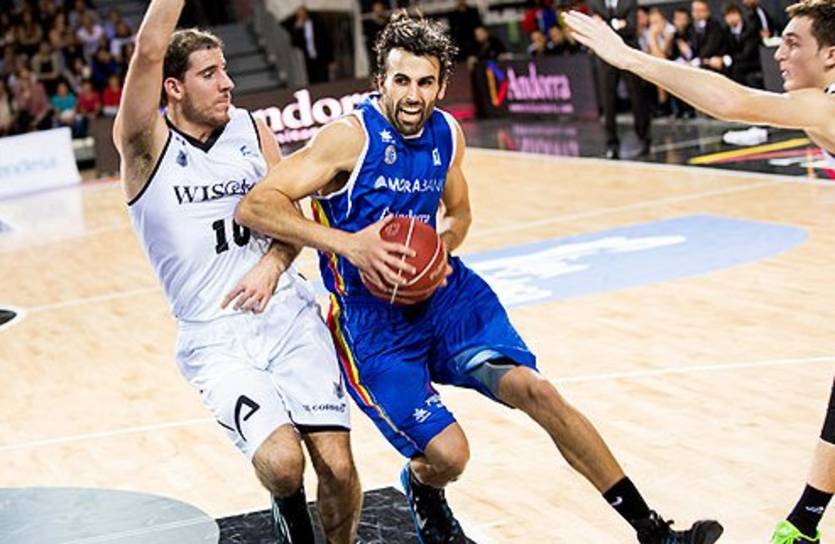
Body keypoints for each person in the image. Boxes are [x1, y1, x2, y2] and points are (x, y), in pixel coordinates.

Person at [236, 10, 724, 544]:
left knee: (539, 392)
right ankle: (424, 486)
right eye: (401, 81)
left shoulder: (446, 133)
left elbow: (460, 214)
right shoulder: (347, 140)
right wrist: (351, 245)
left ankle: (652, 531)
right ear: (380, 81)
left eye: (425, 82)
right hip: (373, 325)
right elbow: (256, 205)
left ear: (442, 85)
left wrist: (439, 250)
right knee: (450, 456)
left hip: (447, 297)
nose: (413, 96)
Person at [564, 2, 835, 543]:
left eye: (792, 43)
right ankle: (803, 523)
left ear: (831, 55)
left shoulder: (825, 107)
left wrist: (630, 58)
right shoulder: (818, 106)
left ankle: (802, 524)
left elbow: (730, 100)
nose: (779, 53)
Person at [113, 1, 363, 542]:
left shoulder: (251, 130)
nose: (227, 83)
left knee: (339, 467)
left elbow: (290, 219)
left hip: (288, 316)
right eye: (209, 74)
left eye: (225, 70)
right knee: (283, 465)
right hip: (215, 338)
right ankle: (288, 508)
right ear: (173, 88)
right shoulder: (145, 147)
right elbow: (150, 49)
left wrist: (273, 264)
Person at [587, 0, 652, 159]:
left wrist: (607, 25)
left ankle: (644, 139)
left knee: (637, 97)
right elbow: (595, 29)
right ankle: (611, 143)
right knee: (608, 101)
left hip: (628, 53)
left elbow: (631, 27)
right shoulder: (594, 3)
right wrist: (617, 24)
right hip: (605, 57)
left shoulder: (629, 1)